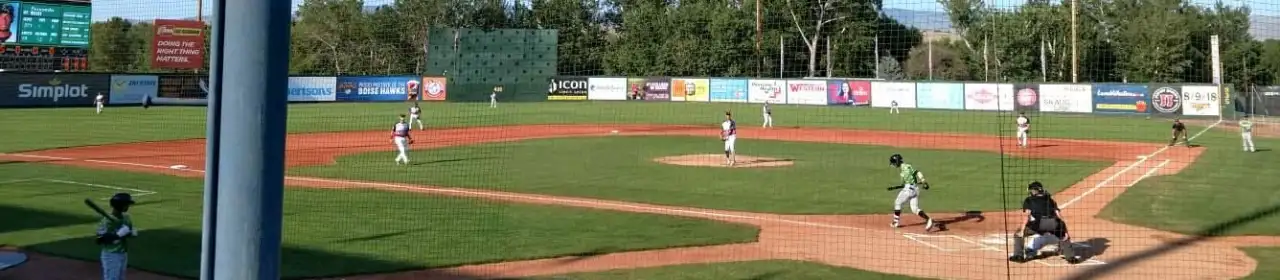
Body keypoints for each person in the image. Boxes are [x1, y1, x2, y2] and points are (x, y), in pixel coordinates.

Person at [1008, 181, 1084, 264]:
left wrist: (1022, 230)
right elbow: (1059, 216)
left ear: (1034, 191)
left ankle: (1018, 256)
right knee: (1063, 236)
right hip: (1053, 224)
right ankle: (1071, 257)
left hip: (1039, 224)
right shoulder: (1050, 200)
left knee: (1018, 234)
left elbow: (1027, 215)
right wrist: (1065, 231)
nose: (1030, 192)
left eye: (1031, 190)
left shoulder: (1029, 200)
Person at [887, 154, 936, 231]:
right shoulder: (906, 167)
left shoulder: (906, 167)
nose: (893, 165)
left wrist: (923, 181)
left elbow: (917, 172)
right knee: (914, 209)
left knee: (897, 202)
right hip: (915, 189)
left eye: (893, 163)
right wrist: (923, 181)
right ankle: (929, 219)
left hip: (909, 190)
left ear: (896, 162)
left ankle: (895, 222)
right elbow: (916, 173)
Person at [96, 193, 138, 280]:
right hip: (111, 255)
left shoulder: (126, 218)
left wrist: (131, 233)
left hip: (123, 254)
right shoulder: (107, 221)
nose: (128, 206)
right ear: (120, 205)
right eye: (126, 204)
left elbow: (130, 231)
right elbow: (99, 240)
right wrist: (117, 235)